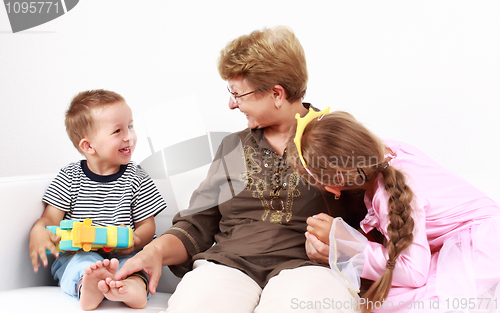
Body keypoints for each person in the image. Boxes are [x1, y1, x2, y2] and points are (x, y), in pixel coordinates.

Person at [113, 26, 366, 313]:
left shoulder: (339, 140)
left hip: (309, 267)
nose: (232, 104)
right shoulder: (232, 146)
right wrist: (155, 251)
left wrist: (344, 245)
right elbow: (198, 223)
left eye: (238, 94)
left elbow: (375, 224)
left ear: (277, 94)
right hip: (227, 265)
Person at [287, 110, 500, 313]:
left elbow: (414, 273)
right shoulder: (392, 152)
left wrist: (348, 245)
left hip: (482, 250)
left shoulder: (388, 195)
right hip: (480, 234)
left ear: (333, 185)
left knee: (392, 305)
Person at [29, 89, 166, 310]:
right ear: (88, 146)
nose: (129, 136)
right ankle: (88, 287)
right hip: (79, 255)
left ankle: (134, 288)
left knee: (136, 266)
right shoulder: (69, 177)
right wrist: (38, 231)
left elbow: (147, 225)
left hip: (124, 254)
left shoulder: (137, 177)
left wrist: (135, 241)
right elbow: (49, 218)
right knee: (80, 265)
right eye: (117, 131)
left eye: (130, 126)